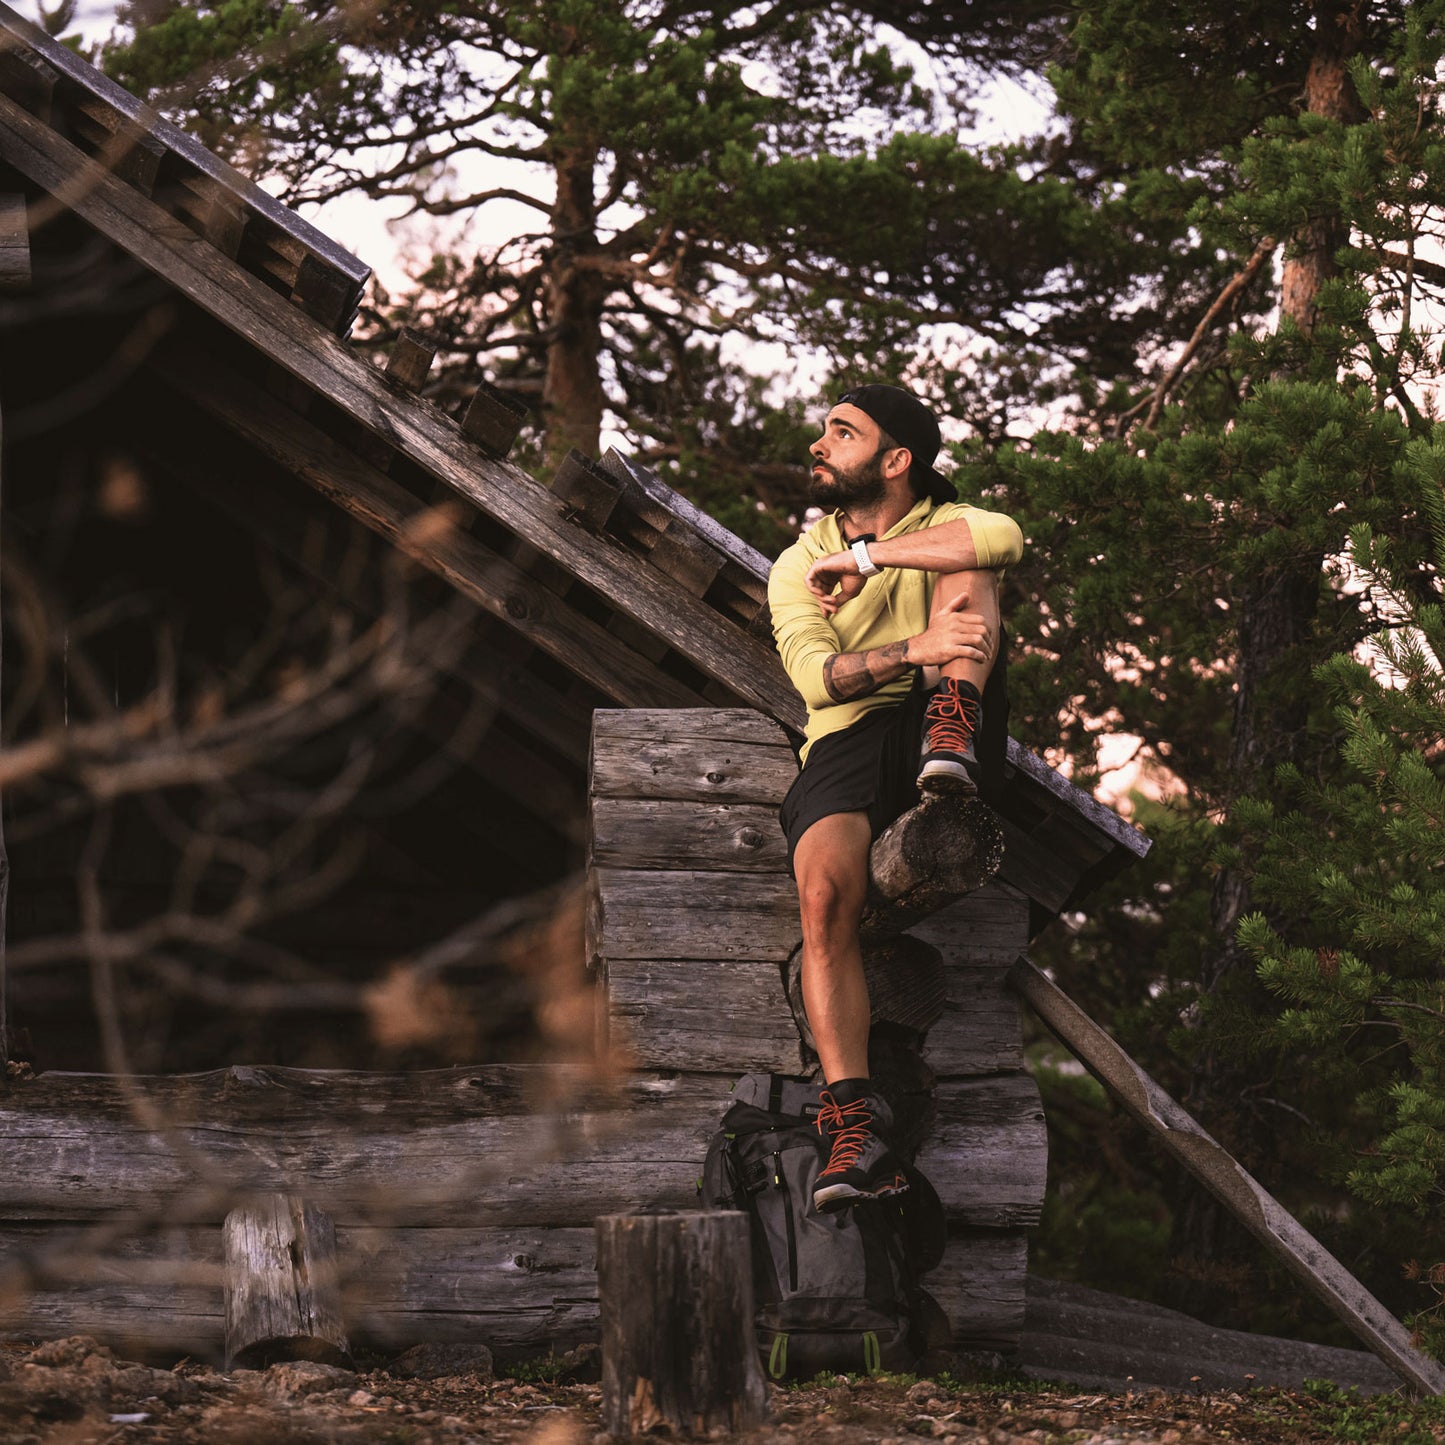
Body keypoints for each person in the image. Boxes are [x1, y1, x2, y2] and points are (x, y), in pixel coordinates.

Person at [768, 384, 1023, 1213]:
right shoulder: (793, 564)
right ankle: (849, 1119)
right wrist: (913, 645)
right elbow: (815, 678)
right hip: (845, 740)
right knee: (821, 899)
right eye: (823, 429)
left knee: (971, 560)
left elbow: (1002, 537)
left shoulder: (940, 528)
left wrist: (871, 560)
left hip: (936, 707)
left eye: (842, 432)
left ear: (895, 459)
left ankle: (952, 731)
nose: (820, 442)